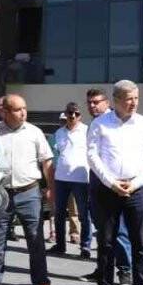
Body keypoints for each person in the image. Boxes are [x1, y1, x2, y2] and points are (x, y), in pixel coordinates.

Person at [85, 80, 143, 285]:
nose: (133, 103)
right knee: (106, 240)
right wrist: (111, 182)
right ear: (116, 100)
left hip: (137, 189)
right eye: (128, 98)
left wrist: (135, 184)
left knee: (140, 241)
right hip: (107, 189)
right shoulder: (99, 124)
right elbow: (92, 156)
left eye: (136, 98)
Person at [0, 94, 54, 285]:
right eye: (18, 109)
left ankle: (41, 282)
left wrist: (50, 187)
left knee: (35, 239)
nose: (23, 112)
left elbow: (47, 162)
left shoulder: (34, 133)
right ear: (6, 112)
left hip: (29, 192)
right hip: (1, 193)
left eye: (24, 108)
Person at [81, 88, 134, 285]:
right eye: (89, 102)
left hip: (116, 184)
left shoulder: (116, 122)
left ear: (108, 102)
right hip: (96, 184)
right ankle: (103, 269)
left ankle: (125, 271)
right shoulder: (94, 124)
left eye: (96, 102)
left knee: (119, 230)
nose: (92, 106)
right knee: (102, 231)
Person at [50, 102, 91, 259]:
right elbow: (55, 155)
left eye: (76, 113)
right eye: (69, 113)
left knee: (83, 214)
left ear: (80, 115)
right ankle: (60, 245)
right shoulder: (59, 132)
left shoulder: (87, 131)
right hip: (61, 178)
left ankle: (85, 247)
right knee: (59, 213)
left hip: (81, 179)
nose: (72, 116)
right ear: (65, 114)